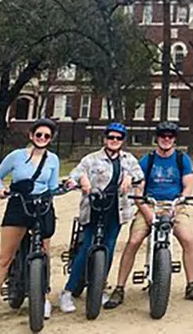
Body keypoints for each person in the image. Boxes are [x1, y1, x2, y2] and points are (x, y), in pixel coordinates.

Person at [103, 121, 193, 309]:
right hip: (149, 206)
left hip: (174, 206)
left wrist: (179, 204)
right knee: (134, 241)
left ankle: (191, 284)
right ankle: (119, 288)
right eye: (163, 136)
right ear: (157, 138)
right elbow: (138, 191)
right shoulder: (147, 160)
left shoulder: (181, 159)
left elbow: (188, 185)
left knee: (188, 240)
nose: (166, 139)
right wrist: (147, 213)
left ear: (174, 139)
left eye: (170, 136)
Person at [0, 118, 63, 327]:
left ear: (51, 139)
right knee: (5, 257)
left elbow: (52, 186)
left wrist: (65, 187)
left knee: (45, 253)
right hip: (18, 205)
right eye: (38, 134)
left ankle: (44, 298)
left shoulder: (53, 160)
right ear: (31, 136)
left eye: (47, 136)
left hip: (42, 207)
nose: (42, 138)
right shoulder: (16, 156)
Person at [57, 122, 143, 313]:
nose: (114, 141)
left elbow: (139, 176)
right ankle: (68, 291)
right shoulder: (91, 159)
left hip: (116, 209)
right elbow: (73, 176)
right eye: (111, 137)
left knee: (109, 247)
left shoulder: (128, 159)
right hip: (94, 208)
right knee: (87, 246)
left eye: (118, 138)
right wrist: (82, 180)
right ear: (105, 139)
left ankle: (99, 286)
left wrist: (130, 178)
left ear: (123, 141)